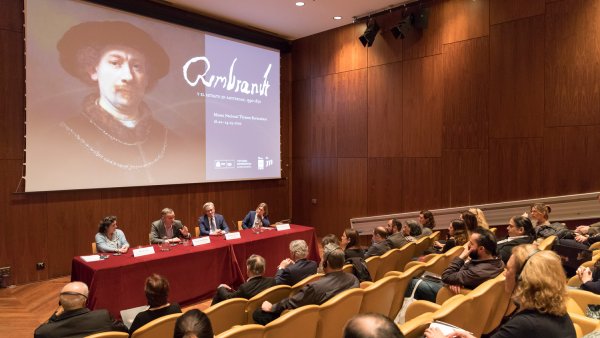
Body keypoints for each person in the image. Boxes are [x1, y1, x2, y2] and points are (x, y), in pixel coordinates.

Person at [51, 21, 187, 186]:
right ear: (93, 70)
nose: (128, 76)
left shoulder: (171, 142)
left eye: (137, 67)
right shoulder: (63, 137)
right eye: (115, 63)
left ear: (147, 79)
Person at [425, 244, 576, 338]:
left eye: (508, 269)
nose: (504, 274)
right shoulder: (559, 314)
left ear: (522, 279)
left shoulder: (525, 325)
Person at [253, 246, 359, 325]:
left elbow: (292, 302)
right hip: (340, 319)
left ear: (326, 263)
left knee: (258, 313)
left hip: (311, 323)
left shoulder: (316, 287)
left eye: (322, 260)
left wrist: (272, 307)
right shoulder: (353, 279)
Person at [406, 228, 504, 302]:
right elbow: (457, 275)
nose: (467, 247)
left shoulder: (479, 271)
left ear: (481, 249)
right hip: (460, 286)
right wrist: (458, 280)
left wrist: (462, 257)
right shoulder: (496, 261)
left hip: (455, 297)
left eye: (471, 244)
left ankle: (402, 320)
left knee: (413, 283)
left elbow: (446, 276)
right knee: (422, 276)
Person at [34, 281, 127, 338]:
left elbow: (40, 332)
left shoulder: (44, 332)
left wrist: (54, 316)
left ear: (60, 303)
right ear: (85, 302)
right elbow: (125, 332)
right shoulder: (103, 317)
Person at [211, 254, 276, 305]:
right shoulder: (271, 281)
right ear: (263, 269)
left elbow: (229, 298)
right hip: (260, 309)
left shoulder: (244, 288)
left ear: (248, 269)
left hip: (244, 313)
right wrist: (230, 289)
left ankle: (209, 317)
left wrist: (221, 288)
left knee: (219, 294)